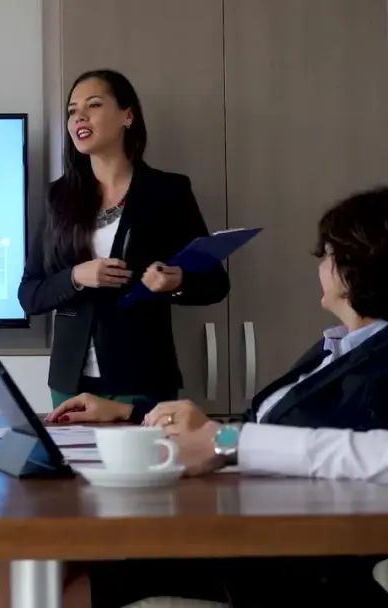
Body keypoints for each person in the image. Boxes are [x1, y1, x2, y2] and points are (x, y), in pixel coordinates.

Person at [65, 186, 388, 607]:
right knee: (57, 559)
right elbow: (256, 431)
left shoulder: (379, 361)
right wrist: (131, 411)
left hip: (291, 560)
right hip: (247, 527)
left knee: (72, 569)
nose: (319, 264)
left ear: (357, 267)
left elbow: (342, 453)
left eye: (327, 254)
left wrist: (223, 442)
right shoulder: (335, 348)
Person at [20, 69, 228, 414]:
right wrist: (76, 276)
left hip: (142, 378)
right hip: (70, 381)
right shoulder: (59, 197)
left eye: (93, 105)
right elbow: (30, 294)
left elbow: (215, 283)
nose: (79, 117)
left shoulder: (167, 191)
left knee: (147, 452)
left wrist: (176, 282)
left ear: (127, 116)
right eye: (72, 111)